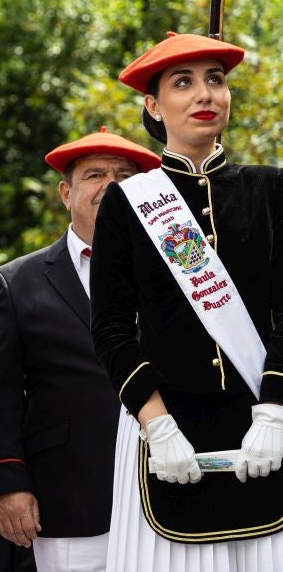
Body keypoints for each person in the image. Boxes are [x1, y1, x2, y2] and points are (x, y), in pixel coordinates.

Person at [90, 32, 283, 570]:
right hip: (166, 430)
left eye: (215, 80)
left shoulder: (272, 191)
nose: (205, 95)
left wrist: (274, 411)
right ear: (153, 106)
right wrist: (157, 424)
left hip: (267, 428)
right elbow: (109, 326)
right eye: (183, 83)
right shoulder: (128, 204)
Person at [0, 128, 160, 572]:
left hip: (165, 496)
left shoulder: (173, 275)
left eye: (124, 175)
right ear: (65, 193)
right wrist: (6, 485)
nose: (110, 185)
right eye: (94, 174)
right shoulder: (18, 282)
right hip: (68, 502)